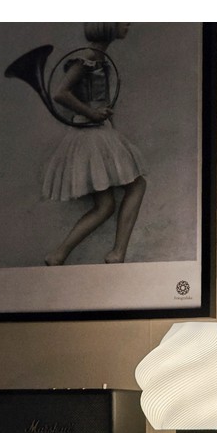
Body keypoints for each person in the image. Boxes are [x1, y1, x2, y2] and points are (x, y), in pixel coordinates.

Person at [42, 22, 147, 265]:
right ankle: (117, 253)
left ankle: (58, 255)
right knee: (135, 187)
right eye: (122, 19)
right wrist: (92, 113)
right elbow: (60, 93)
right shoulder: (88, 56)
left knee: (106, 206)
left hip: (99, 132)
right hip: (90, 134)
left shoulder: (98, 56)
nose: (128, 23)